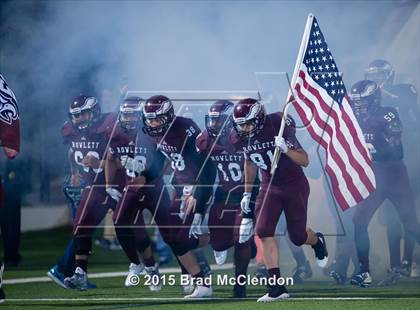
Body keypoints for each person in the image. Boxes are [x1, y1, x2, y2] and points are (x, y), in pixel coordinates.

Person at [231, 98, 328, 302]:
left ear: (258, 119)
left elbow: (305, 160)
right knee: (263, 231)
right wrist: (247, 194)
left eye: (247, 123)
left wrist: (286, 149)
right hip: (269, 186)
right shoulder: (239, 137)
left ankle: (317, 241)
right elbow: (249, 162)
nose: (244, 128)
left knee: (297, 237)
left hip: (294, 185)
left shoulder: (278, 124)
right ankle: (276, 286)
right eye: (240, 124)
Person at [142, 95, 215, 298]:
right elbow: (158, 162)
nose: (152, 123)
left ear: (168, 116)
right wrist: (142, 178)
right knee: (174, 238)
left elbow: (206, 164)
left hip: (196, 187)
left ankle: (224, 239)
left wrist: (198, 192)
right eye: (149, 119)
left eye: (156, 118)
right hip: (180, 187)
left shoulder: (186, 128)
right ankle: (201, 282)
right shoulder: (158, 134)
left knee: (184, 238)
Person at [349, 80, 420, 287]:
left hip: (395, 175)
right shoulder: (354, 118)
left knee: (411, 224)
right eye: (356, 101)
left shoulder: (387, 114)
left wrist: (371, 151)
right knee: (359, 221)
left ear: (373, 99)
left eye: (362, 101)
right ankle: (364, 271)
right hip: (375, 177)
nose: (358, 105)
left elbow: (398, 151)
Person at [195, 100, 257, 298]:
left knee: (241, 241)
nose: (214, 126)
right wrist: (199, 206)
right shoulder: (205, 141)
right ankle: (249, 244)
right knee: (219, 244)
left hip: (248, 191)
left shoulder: (246, 137)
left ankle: (240, 285)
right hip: (223, 193)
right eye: (212, 121)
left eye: (219, 121)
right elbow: (205, 175)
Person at [365, 60, 419, 283]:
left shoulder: (404, 90)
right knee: (390, 214)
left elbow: (407, 105)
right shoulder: (371, 101)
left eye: (378, 75)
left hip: (410, 157)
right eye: (372, 76)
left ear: (388, 75)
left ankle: (408, 261)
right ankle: (396, 265)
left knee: (407, 213)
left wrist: (381, 91)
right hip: (384, 162)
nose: (375, 80)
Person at [105, 97, 166, 290]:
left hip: (153, 187)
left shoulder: (153, 133)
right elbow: (110, 158)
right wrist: (108, 184)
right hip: (131, 187)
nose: (129, 119)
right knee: (121, 223)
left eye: (133, 114)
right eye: (126, 115)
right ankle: (140, 264)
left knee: (171, 232)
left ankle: (191, 274)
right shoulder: (117, 133)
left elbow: (163, 162)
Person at [62, 95, 119, 290]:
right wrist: (74, 171)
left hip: (120, 185)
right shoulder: (70, 131)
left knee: (132, 231)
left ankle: (187, 270)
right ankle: (80, 274)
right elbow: (71, 151)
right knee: (80, 228)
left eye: (83, 115)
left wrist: (100, 163)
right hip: (94, 187)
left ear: (94, 112)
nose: (78, 120)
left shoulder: (109, 126)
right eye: (75, 116)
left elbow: (123, 160)